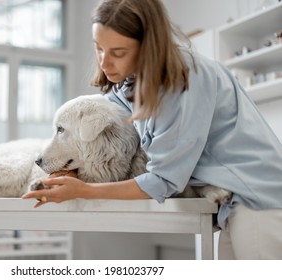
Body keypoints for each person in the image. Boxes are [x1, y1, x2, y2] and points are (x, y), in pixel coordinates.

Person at [22, 0, 282, 259]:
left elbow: (163, 180)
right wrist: (75, 170)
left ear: (148, 45)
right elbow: (110, 130)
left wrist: (84, 190)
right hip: (226, 201)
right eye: (98, 48)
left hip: (257, 196)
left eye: (118, 52)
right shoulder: (129, 84)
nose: (104, 62)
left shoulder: (186, 79)